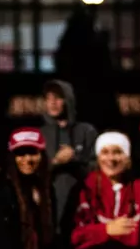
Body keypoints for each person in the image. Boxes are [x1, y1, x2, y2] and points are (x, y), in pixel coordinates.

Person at [38, 79, 97, 229]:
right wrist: (55, 162)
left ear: (68, 100)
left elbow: (99, 168)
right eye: (48, 99)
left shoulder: (86, 131)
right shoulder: (40, 135)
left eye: (57, 98)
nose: (52, 103)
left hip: (83, 203)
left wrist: (74, 159)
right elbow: (34, 171)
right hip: (51, 206)